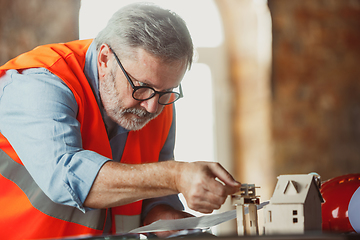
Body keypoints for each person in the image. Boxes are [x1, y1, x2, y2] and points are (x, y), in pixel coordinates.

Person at [0, 3, 240, 239]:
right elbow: (67, 177)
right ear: (105, 59)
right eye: (141, 87)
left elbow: (151, 197)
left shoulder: (158, 99)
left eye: (166, 90)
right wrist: (175, 177)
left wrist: (167, 219)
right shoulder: (39, 84)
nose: (151, 106)